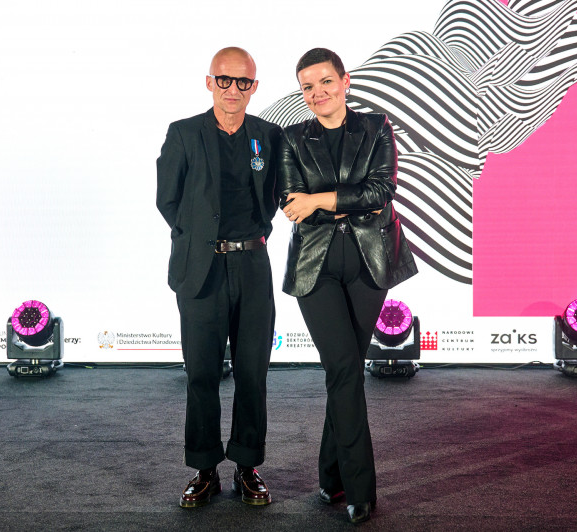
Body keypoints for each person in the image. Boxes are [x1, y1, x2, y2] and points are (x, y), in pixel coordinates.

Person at [278, 48, 418, 524]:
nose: (317, 93)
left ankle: (331, 477)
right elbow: (291, 204)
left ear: (345, 81)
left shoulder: (376, 127)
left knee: (346, 373)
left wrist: (319, 199)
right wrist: (340, 202)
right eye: (307, 87)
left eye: (325, 82)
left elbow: (382, 192)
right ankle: (360, 489)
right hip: (314, 266)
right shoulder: (292, 138)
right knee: (343, 369)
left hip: (368, 262)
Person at [156, 46, 281, 508]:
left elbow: (274, 196)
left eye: (242, 82)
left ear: (254, 87)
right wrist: (199, 240)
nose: (232, 89)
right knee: (202, 374)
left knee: (252, 373)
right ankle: (204, 469)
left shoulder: (269, 135)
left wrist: (251, 235)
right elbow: (167, 200)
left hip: (252, 266)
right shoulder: (184, 133)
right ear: (209, 82)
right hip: (201, 270)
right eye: (224, 80)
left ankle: (248, 467)